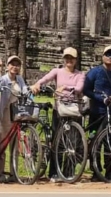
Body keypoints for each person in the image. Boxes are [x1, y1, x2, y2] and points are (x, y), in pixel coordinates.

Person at [30, 47, 85, 182]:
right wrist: (36, 85)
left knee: (72, 143)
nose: (69, 60)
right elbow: (45, 79)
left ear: (76, 60)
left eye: (71, 58)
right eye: (67, 58)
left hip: (73, 110)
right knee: (57, 141)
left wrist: (65, 87)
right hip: (59, 110)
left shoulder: (80, 74)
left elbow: (79, 88)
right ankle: (54, 172)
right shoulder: (57, 71)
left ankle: (68, 171)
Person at [83, 45, 111, 181]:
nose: (110, 57)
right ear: (102, 56)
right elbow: (86, 90)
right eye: (108, 54)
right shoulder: (95, 72)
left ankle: (110, 170)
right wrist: (101, 98)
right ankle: (96, 171)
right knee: (95, 141)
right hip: (97, 112)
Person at [0, 55, 27, 183]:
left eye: (17, 64)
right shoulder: (3, 78)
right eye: (12, 64)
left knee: (14, 146)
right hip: (4, 114)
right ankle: (0, 173)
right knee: (2, 145)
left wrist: (31, 92)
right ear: (8, 66)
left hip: (16, 114)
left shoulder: (20, 79)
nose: (15, 67)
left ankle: (14, 173)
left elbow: (24, 90)